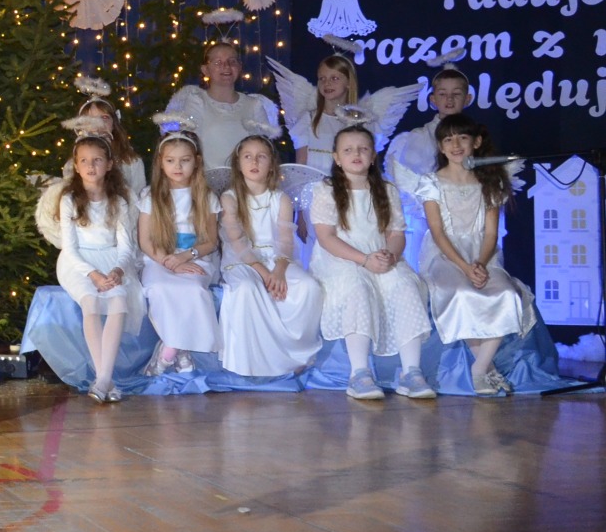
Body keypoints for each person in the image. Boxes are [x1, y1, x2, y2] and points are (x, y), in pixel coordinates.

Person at [310, 125, 435, 401]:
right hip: (342, 258)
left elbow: (396, 233)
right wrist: (363, 260)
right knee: (357, 287)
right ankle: (359, 373)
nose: (356, 154)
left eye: (363, 148)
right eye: (348, 150)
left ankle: (411, 372)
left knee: (405, 285)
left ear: (373, 156)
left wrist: (390, 255)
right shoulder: (326, 190)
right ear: (336, 157)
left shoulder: (386, 190)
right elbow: (326, 237)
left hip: (379, 256)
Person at [416, 114, 534, 396]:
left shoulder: (489, 182)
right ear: (441, 147)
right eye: (448, 139)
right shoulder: (431, 182)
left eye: (463, 138)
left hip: (482, 254)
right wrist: (465, 267)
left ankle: (479, 368)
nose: (456, 145)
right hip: (446, 254)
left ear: (476, 142)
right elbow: (437, 231)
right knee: (460, 293)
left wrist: (479, 264)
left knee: (507, 294)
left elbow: (491, 233)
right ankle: (487, 368)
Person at [217, 135, 324, 377]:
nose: (254, 161)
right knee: (247, 288)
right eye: (247, 156)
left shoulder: (280, 198)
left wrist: (279, 270)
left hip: (277, 259)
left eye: (261, 156)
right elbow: (237, 241)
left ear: (271, 164)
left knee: (308, 288)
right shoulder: (229, 198)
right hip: (242, 261)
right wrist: (266, 275)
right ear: (238, 164)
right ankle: (253, 363)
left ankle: (295, 354)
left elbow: (285, 240)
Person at [53, 134, 142, 402]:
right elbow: (70, 248)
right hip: (78, 263)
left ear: (109, 164)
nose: (91, 166)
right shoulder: (69, 200)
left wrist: (118, 270)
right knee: (90, 301)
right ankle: (105, 380)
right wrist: (92, 274)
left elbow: (125, 246)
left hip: (111, 260)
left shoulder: (119, 201)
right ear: (76, 166)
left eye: (97, 160)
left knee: (118, 301)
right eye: (84, 161)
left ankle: (103, 380)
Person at [136, 129, 221, 372]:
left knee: (193, 290)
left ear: (197, 161)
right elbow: (145, 241)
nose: (178, 167)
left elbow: (211, 241)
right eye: (171, 160)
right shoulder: (150, 196)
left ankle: (170, 350)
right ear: (160, 163)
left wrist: (185, 257)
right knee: (160, 288)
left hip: (196, 257)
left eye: (185, 160)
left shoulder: (206, 196)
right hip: (159, 258)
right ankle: (179, 350)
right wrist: (168, 261)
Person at [267, 52, 417, 174]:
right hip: (314, 192)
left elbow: (367, 163)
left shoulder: (361, 121)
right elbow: (301, 164)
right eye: (322, 78)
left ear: (349, 83)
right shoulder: (309, 119)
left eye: (334, 78)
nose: (327, 83)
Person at [164, 41, 281, 172]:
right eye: (218, 62)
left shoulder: (254, 105)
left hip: (245, 181)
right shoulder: (197, 102)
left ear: (239, 67)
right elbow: (189, 147)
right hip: (206, 179)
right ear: (205, 70)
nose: (226, 66)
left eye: (232, 61)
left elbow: (262, 149)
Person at [385, 65, 473, 191]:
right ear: (433, 99)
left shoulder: (475, 136)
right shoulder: (416, 138)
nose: (449, 99)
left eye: (456, 93)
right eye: (442, 94)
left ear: (467, 99)